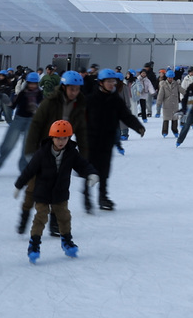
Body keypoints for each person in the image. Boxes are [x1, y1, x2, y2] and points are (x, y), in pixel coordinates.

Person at [15, 120, 99, 262]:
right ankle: (34, 244)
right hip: (42, 192)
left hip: (60, 192)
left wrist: (91, 173)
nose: (61, 142)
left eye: (65, 138)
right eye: (58, 138)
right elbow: (29, 170)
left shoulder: (71, 152)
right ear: (52, 137)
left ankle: (66, 240)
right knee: (41, 217)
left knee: (64, 216)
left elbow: (82, 165)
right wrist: (19, 185)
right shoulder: (42, 153)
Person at [22, 71, 90, 234]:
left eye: (77, 89)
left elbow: (81, 131)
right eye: (71, 89)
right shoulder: (50, 102)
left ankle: (53, 224)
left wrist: (84, 158)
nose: (75, 92)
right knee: (33, 188)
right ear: (64, 87)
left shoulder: (80, 105)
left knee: (58, 186)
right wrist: (31, 150)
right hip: (43, 149)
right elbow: (36, 124)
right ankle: (24, 216)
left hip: (63, 149)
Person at [85, 68, 145, 210]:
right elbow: (80, 118)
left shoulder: (115, 99)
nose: (112, 84)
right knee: (89, 169)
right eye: (109, 81)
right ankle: (87, 196)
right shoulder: (91, 98)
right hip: (91, 140)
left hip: (107, 139)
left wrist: (138, 126)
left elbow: (125, 115)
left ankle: (103, 197)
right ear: (101, 83)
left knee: (104, 171)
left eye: (113, 81)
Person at [157, 70, 181, 136]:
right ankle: (165, 131)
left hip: (175, 104)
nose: (170, 79)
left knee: (175, 118)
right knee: (166, 118)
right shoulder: (163, 85)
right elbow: (160, 95)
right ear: (167, 77)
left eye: (171, 78)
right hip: (166, 104)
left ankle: (175, 131)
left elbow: (182, 90)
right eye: (169, 78)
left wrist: (188, 93)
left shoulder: (176, 84)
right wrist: (159, 103)